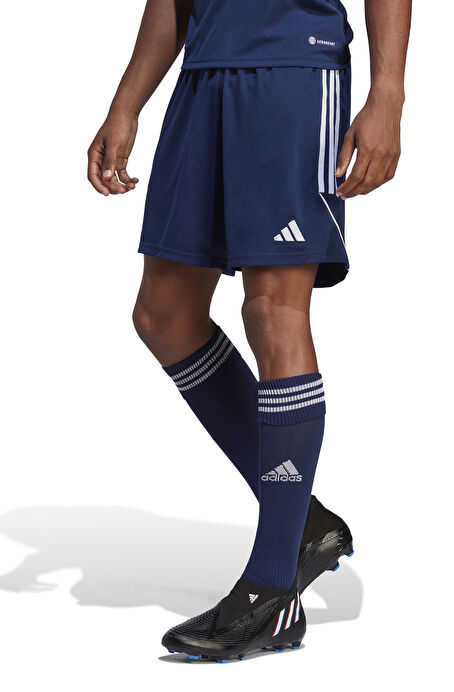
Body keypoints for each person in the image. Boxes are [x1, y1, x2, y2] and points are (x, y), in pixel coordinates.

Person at [87, 0, 411, 663]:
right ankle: (305, 524)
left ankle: (272, 590)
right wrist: (126, 103)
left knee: (272, 310)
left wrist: (387, 94)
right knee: (163, 316)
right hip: (203, 75)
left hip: (294, 71)